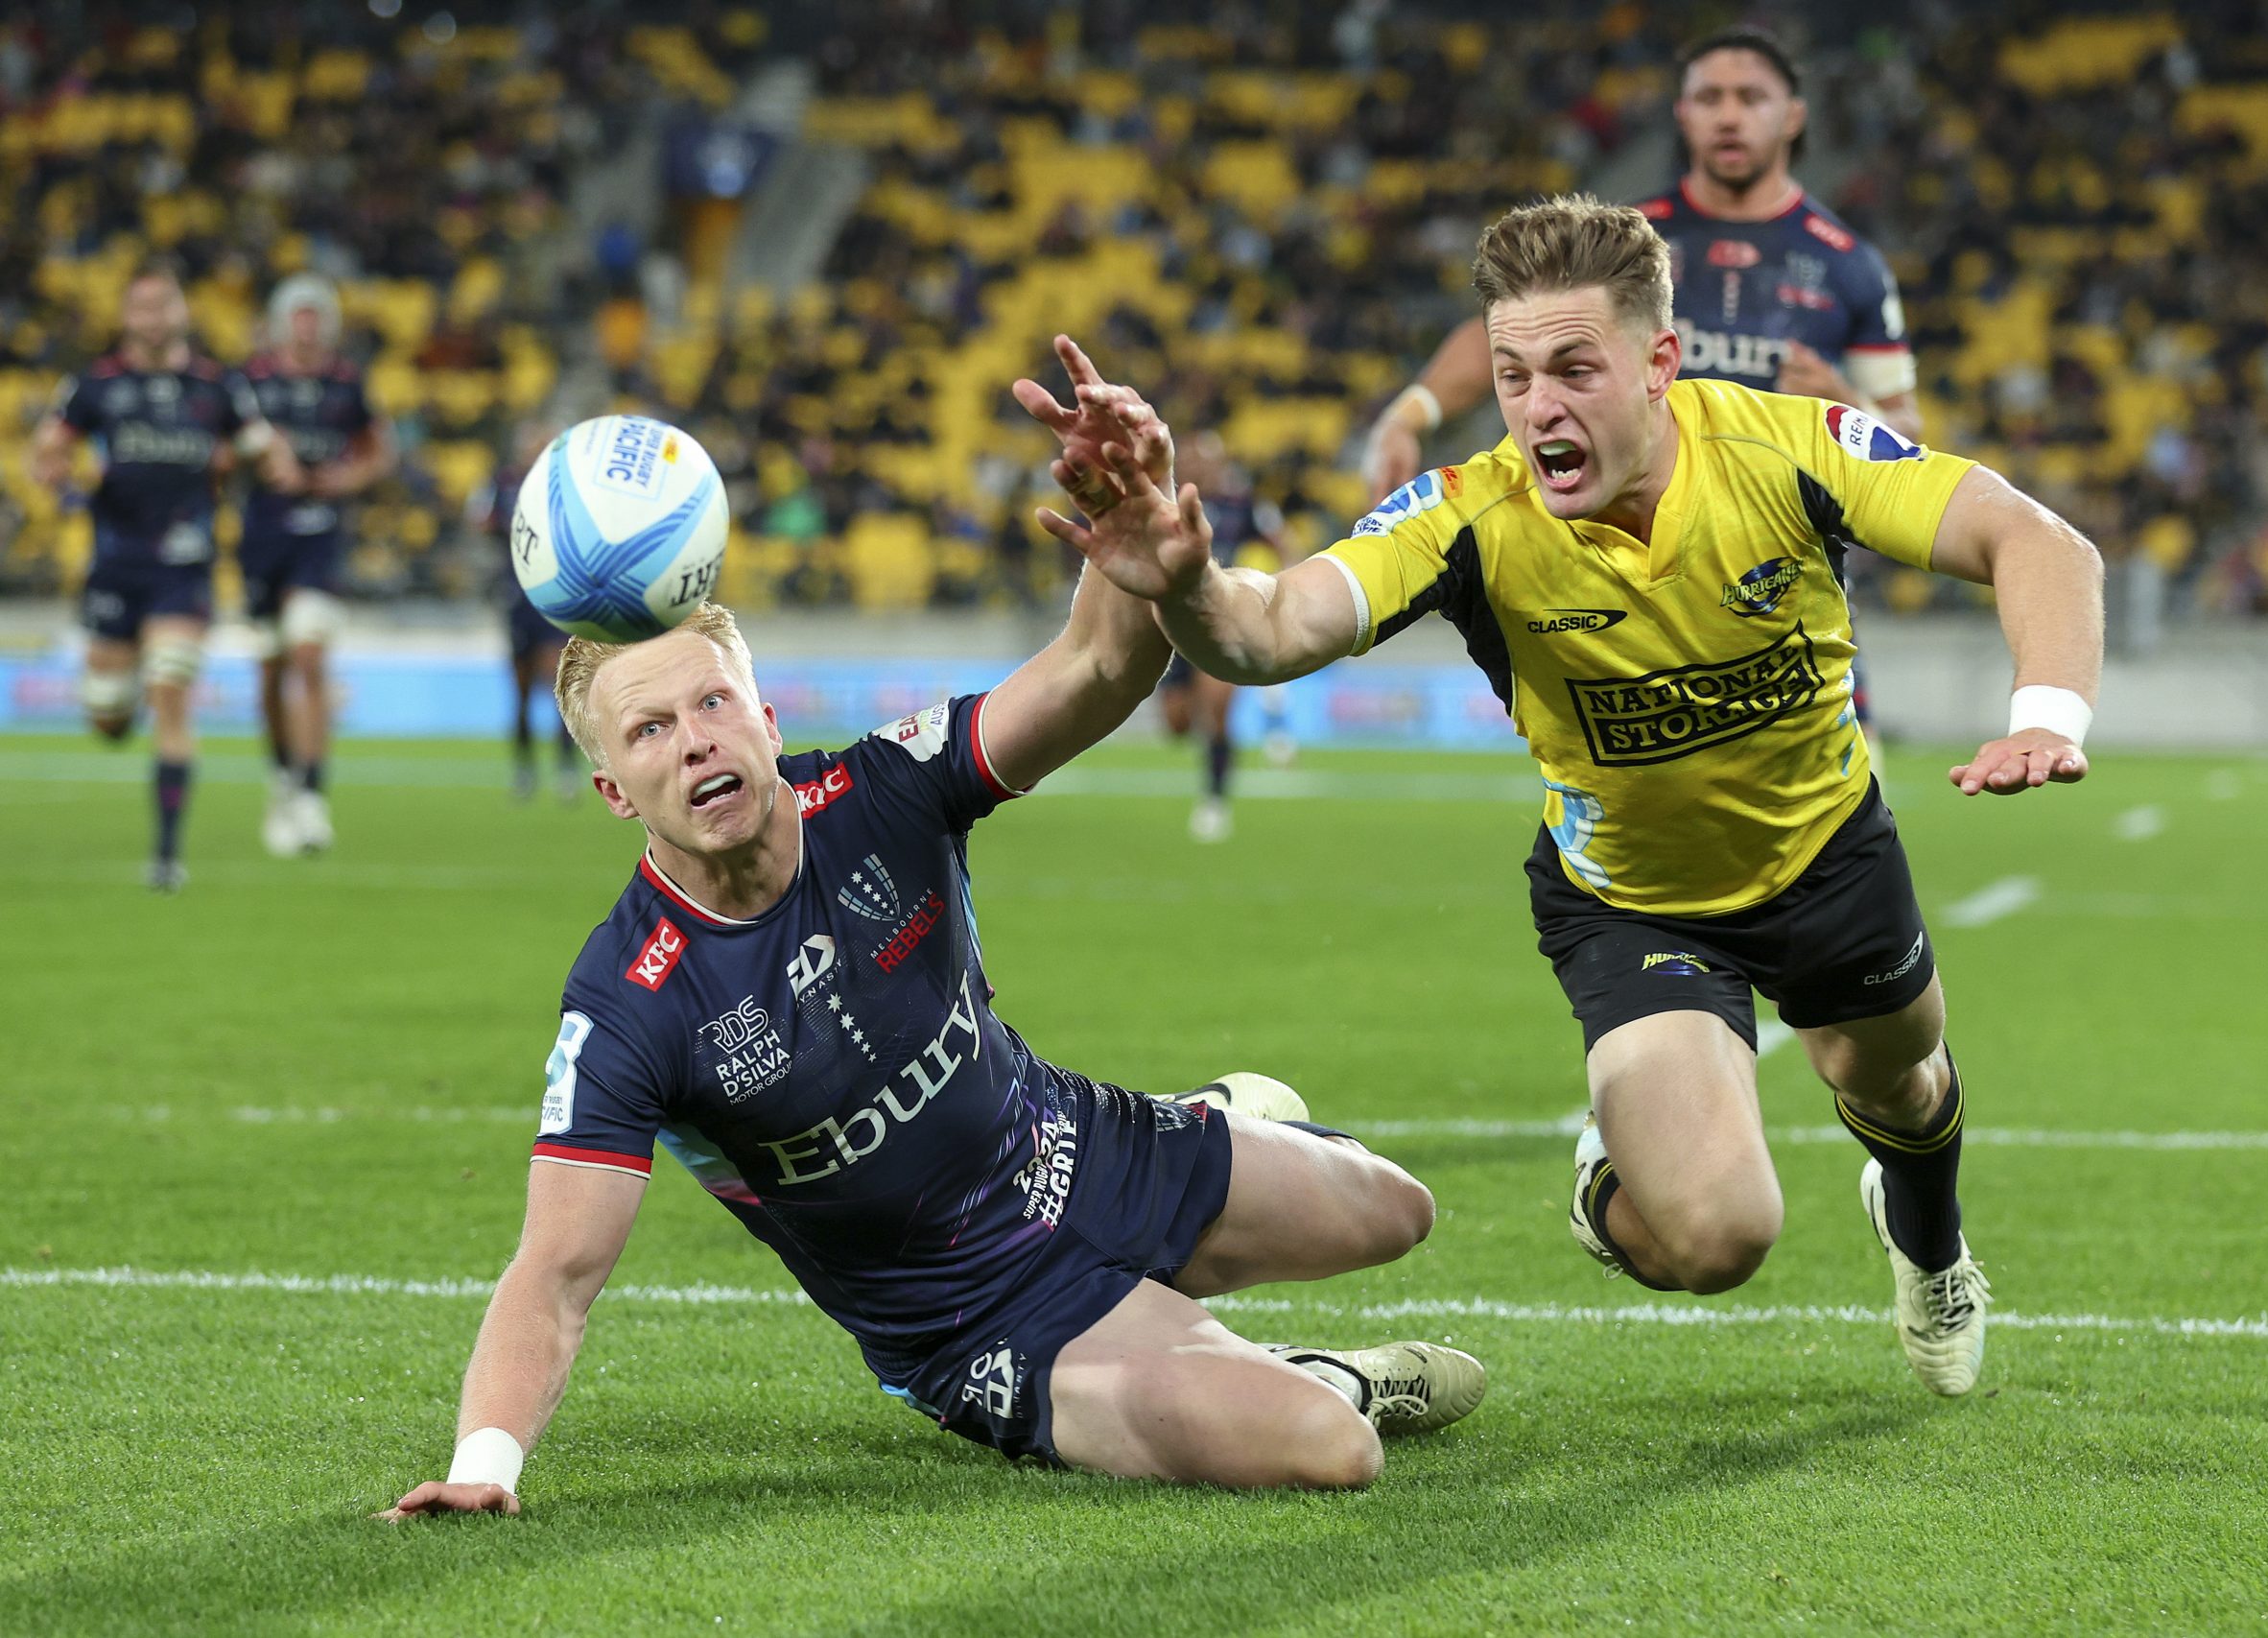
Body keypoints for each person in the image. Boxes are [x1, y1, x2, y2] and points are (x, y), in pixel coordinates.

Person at [377, 343, 1483, 1521]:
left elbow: (1099, 668)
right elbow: (556, 1274)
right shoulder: (631, 999)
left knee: (1394, 1210)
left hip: (1072, 1145)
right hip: (981, 1319)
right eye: (648, 732)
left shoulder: (881, 791)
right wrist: (482, 1468)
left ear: (763, 714)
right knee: (1328, 1446)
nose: (696, 742)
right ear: (612, 793)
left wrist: (1136, 549)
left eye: (711, 705)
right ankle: (1314, 1375)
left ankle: (1201, 1134)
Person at [1045, 199, 2106, 1398]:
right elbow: (1272, 626)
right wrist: (1182, 581)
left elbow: (2041, 544)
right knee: (1715, 1239)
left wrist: (2044, 717)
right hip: (1632, 903)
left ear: (1660, 365)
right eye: (1510, 375)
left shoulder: (1787, 448)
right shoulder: (1468, 516)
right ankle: (1615, 1175)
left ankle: (1931, 1248)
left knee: (1899, 1083)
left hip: (1827, 855)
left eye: (1571, 369)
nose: (1537, 406)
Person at [1364, 27, 1920, 776]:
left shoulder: (1850, 266)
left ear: (1793, 115)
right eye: (1708, 98)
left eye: (1750, 98)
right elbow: (1504, 325)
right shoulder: (1622, 242)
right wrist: (1411, 413)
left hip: (1781, 581)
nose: (1728, 115)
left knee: (1847, 807)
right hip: (1624, 576)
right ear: (1681, 116)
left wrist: (1850, 401)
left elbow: (1908, 440)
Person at [28, 260, 299, 891]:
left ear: (182, 311)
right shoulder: (94, 387)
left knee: (171, 691)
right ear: (127, 316)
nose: (154, 317)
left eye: (164, 304)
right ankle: (121, 708)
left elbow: (262, 442)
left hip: (184, 565)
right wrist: (59, 474)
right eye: (142, 306)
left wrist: (275, 462)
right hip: (114, 566)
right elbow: (49, 448)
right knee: (109, 719)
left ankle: (166, 856)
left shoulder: (216, 386)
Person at [242, 273, 396, 856]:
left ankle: (310, 794)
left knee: (308, 654)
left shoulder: (346, 383)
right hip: (261, 538)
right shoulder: (252, 383)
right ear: (283, 323)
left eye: (316, 316)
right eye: (298, 316)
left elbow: (380, 450)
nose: (307, 326)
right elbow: (224, 447)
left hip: (320, 536)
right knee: (269, 670)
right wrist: (262, 456)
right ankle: (282, 778)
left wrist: (347, 478)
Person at [1156, 431, 1288, 842]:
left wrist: (1283, 588)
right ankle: (1270, 720)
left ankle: (1214, 800)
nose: (1203, 467)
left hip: (1221, 616)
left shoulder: (1242, 504)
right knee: (1176, 724)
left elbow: (1281, 544)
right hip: (1172, 621)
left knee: (1217, 711)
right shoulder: (1168, 506)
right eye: (1196, 460)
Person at [481, 425, 580, 800]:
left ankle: (566, 769)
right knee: (520, 690)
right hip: (517, 596)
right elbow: (481, 519)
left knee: (558, 686)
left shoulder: (565, 490)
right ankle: (524, 769)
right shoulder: (503, 482)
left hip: (554, 596)